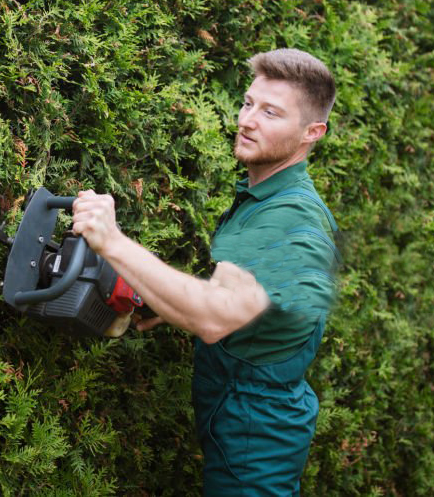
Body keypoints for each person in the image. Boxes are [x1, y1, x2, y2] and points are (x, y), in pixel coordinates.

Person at [72, 48, 339, 496]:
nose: (248, 120)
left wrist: (112, 242)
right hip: (241, 416)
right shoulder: (266, 199)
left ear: (313, 132)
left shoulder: (291, 218)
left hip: (258, 430)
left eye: (271, 112)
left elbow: (216, 317)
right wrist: (171, 300)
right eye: (248, 103)